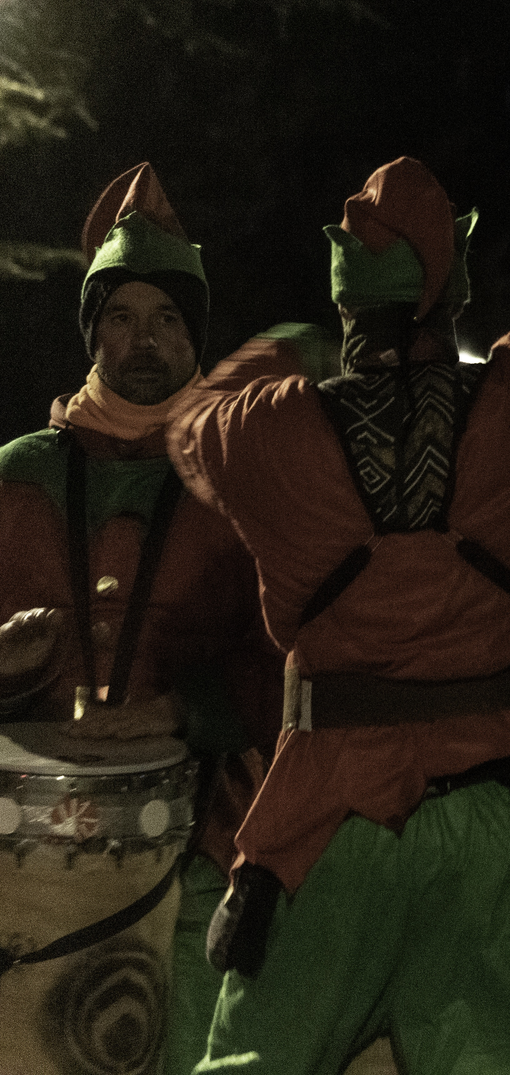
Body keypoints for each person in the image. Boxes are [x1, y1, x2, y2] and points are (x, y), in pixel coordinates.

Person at [164, 0, 510, 1067]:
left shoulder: (266, 429)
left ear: (346, 293)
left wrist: (277, 350)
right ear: (457, 283)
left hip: (327, 826)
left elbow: (189, 427)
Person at [0, 163, 281, 1075]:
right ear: (92, 332)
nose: (143, 341)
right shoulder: (15, 474)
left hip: (200, 849)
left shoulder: (245, 477)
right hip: (23, 860)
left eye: (166, 319)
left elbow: (293, 652)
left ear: (194, 336)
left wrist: (182, 711)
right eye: (120, 318)